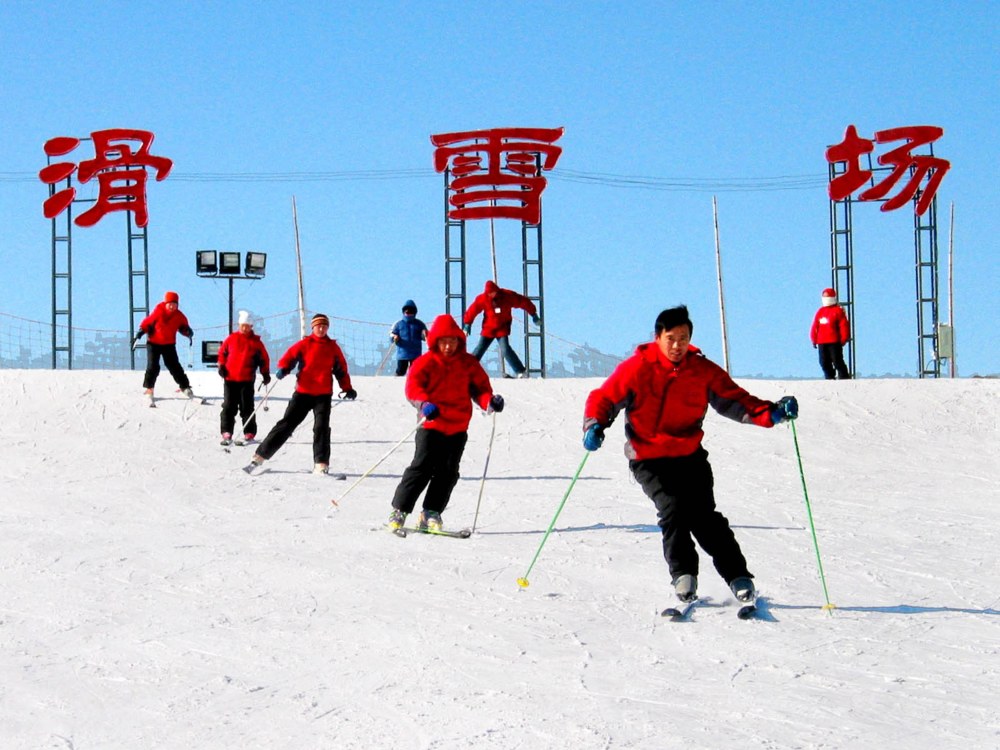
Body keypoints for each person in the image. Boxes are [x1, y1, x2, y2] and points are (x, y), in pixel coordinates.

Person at [581, 305, 798, 605]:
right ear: (657, 338)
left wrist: (773, 412)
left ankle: (738, 577)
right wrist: (595, 425)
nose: (676, 345)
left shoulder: (701, 370)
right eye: (671, 338)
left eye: (683, 338)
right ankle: (684, 575)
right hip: (648, 457)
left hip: (689, 455)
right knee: (673, 509)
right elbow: (604, 398)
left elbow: (735, 400)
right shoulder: (637, 368)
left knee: (704, 517)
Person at [387, 314, 504, 532]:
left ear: (459, 341)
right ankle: (400, 510)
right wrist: (424, 404)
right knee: (421, 467)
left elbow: (480, 389)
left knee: (448, 472)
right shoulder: (425, 362)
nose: (448, 346)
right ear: (435, 341)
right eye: (443, 341)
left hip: (458, 426)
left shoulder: (468, 363)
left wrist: (490, 402)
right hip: (431, 424)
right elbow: (413, 388)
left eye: (453, 341)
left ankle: (431, 512)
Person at [244, 313, 356, 475]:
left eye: (324, 326)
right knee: (287, 424)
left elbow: (341, 370)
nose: (321, 329)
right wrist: (284, 368)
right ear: (313, 327)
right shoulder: (305, 344)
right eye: (319, 326)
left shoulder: (332, 347)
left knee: (321, 428)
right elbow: (289, 357)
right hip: (303, 392)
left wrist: (347, 388)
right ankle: (260, 456)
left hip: (323, 394)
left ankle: (321, 463)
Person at [462, 280, 540, 378]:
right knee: (479, 349)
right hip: (488, 329)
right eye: (489, 293)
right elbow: (473, 310)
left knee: (505, 349)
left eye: (492, 293)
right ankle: (466, 371)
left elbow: (522, 301)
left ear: (496, 290)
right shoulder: (483, 299)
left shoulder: (507, 296)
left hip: (502, 328)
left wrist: (533, 314)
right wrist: (467, 323)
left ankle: (520, 371)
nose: (491, 295)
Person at [217, 310, 271, 446]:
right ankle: (226, 431)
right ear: (239, 325)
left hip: (247, 380)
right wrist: (221, 366)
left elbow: (264, 359)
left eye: (247, 326)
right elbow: (222, 353)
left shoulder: (256, 342)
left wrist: (265, 373)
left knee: (247, 407)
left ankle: (249, 432)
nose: (245, 328)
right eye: (243, 325)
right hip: (230, 379)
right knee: (229, 406)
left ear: (251, 326)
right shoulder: (231, 339)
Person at [135, 290, 195, 402]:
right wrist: (141, 331)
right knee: (153, 366)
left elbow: (183, 327)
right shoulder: (158, 311)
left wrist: (188, 332)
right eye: (170, 304)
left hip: (169, 344)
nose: (172, 306)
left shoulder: (179, 316)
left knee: (174, 366)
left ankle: (185, 386)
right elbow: (147, 323)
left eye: (174, 304)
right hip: (153, 343)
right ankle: (149, 388)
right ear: (165, 303)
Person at [810, 287, 851, 380]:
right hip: (822, 341)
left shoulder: (838, 311)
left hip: (834, 341)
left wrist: (844, 338)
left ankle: (844, 377)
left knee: (837, 360)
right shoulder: (820, 311)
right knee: (823, 362)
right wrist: (813, 339)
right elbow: (815, 325)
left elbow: (844, 325)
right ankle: (829, 377)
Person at [390, 299, 428, 376]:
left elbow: (425, 336)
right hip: (402, 353)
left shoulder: (419, 324)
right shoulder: (399, 324)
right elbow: (392, 334)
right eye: (407, 312)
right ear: (403, 312)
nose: (408, 314)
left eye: (411, 312)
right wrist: (394, 337)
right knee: (401, 370)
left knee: (415, 372)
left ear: (414, 313)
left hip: (415, 353)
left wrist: (424, 334)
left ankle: (414, 385)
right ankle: (395, 383)